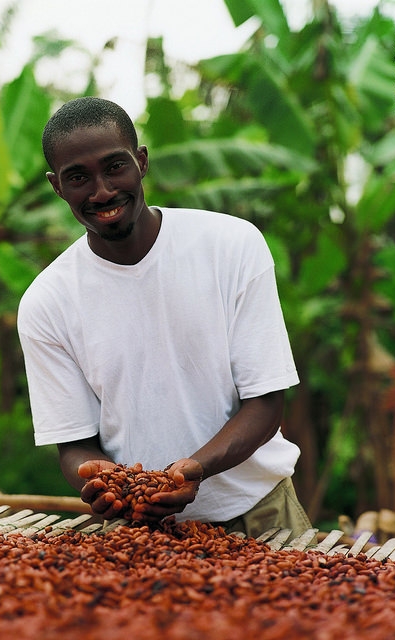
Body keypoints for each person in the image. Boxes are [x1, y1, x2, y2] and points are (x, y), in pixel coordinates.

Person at [17, 96, 312, 539]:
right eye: (78, 177)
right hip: (138, 528)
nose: (102, 191)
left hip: (260, 514)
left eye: (115, 167)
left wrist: (195, 469)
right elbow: (74, 443)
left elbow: (266, 403)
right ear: (57, 186)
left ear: (141, 161)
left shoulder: (230, 246)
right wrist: (100, 480)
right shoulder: (46, 302)